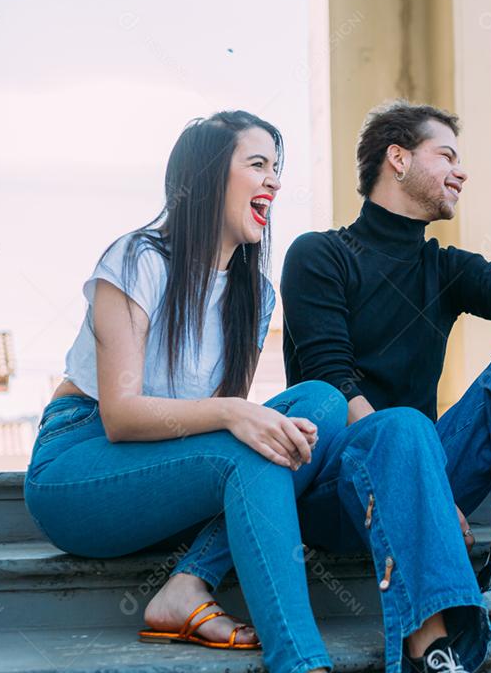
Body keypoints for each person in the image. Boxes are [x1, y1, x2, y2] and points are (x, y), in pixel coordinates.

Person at [279, 100, 491, 673]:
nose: (462, 172)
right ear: (398, 158)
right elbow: (331, 383)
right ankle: (436, 651)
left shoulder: (446, 267)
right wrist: (424, 485)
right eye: (448, 155)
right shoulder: (320, 255)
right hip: (338, 485)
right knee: (405, 428)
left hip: (428, 461)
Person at [24, 111, 348, 673]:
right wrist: (233, 413)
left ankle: (188, 582)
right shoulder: (137, 258)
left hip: (168, 468)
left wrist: (237, 416)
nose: (274, 180)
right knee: (253, 442)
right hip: (78, 465)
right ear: (206, 174)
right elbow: (121, 416)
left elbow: (229, 429)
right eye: (257, 165)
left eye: (277, 168)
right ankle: (300, 662)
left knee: (322, 403)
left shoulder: (255, 294)